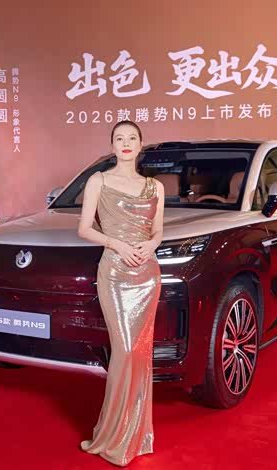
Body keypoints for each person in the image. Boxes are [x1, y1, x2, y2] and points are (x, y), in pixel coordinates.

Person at [76, 120, 164, 466]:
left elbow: (158, 231)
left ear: (141, 145)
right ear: (112, 146)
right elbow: (84, 229)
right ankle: (111, 435)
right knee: (125, 350)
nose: (125, 143)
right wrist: (117, 244)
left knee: (140, 354)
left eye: (132, 138)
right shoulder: (98, 181)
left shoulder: (155, 187)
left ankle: (136, 436)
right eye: (119, 138)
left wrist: (150, 245)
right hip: (114, 272)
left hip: (147, 274)